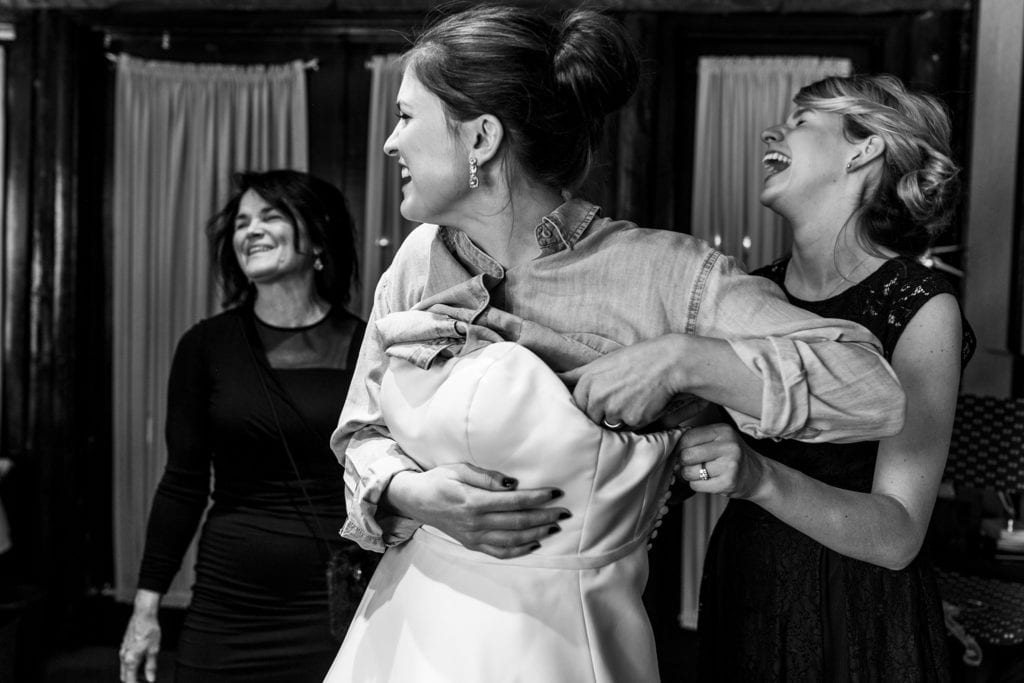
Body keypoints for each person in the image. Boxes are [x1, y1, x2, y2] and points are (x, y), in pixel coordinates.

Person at [325, 8, 906, 682]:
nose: (392, 143)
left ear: (481, 137)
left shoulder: (668, 275)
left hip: (564, 644)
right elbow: (359, 430)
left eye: (406, 116)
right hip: (402, 629)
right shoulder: (418, 260)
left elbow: (874, 393)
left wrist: (683, 359)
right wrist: (410, 493)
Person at [686, 74, 975, 681]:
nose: (772, 131)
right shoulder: (749, 293)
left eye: (800, 122)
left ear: (862, 148)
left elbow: (898, 535)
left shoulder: (920, 306)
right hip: (747, 587)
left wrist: (758, 475)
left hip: (856, 607)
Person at [118, 170, 368, 683]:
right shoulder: (205, 346)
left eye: (270, 217)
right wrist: (146, 608)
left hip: (336, 599)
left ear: (318, 237)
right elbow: (183, 483)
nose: (249, 231)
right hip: (230, 601)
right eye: (241, 222)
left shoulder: (369, 345)